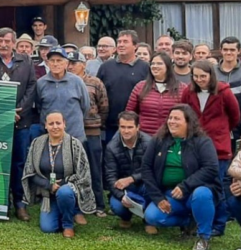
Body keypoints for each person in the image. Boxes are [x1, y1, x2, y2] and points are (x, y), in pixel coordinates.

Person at [140, 104, 220, 250]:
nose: (171, 121)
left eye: (177, 118)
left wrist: (185, 186)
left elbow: (211, 168)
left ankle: (203, 237)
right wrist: (158, 198)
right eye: (170, 118)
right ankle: (189, 222)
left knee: (202, 194)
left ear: (188, 123)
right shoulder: (158, 140)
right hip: (170, 195)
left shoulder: (202, 141)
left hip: (194, 193)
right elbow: (146, 168)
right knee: (152, 217)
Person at [0, 28, 37, 221]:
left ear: (14, 43)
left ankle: (20, 204)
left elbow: (31, 87)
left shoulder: (26, 61)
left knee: (19, 163)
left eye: (7, 41)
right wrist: (4, 113)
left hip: (22, 122)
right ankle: (0, 203)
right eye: (0, 40)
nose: (3, 44)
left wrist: (18, 111)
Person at [181, 59, 240, 237]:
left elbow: (235, 116)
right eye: (196, 76)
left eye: (203, 76)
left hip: (218, 147)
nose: (199, 79)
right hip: (193, 145)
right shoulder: (188, 92)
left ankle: (219, 224)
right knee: (194, 184)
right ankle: (194, 220)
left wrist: (221, 130)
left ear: (211, 75)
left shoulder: (224, 92)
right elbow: (183, 113)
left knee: (218, 186)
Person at [21, 112, 96, 238]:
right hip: (48, 194)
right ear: (45, 126)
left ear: (64, 124)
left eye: (58, 123)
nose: (55, 126)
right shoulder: (37, 143)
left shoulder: (75, 144)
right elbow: (30, 172)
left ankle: (68, 224)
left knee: (64, 192)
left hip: (69, 189)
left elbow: (83, 173)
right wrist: (49, 185)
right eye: (51, 123)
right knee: (47, 228)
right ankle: (65, 212)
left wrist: (61, 184)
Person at [67, 51, 108, 217]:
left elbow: (104, 106)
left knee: (94, 168)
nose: (70, 66)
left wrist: (96, 123)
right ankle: (78, 204)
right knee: (74, 169)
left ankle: (99, 204)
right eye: (68, 63)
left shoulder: (95, 82)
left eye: (74, 63)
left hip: (91, 131)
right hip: (71, 132)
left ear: (83, 64)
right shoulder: (65, 82)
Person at [104, 111, 155, 232]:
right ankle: (126, 217)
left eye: (130, 127)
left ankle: (148, 220)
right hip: (124, 189)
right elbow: (110, 177)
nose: (126, 131)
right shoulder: (111, 147)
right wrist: (121, 196)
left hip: (144, 184)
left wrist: (132, 178)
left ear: (138, 127)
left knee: (152, 187)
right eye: (122, 127)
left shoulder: (149, 143)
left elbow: (153, 170)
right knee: (117, 206)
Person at [97, 31, 148, 141]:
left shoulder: (145, 68)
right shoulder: (106, 67)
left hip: (136, 125)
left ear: (135, 46)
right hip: (110, 125)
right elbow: (98, 93)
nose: (121, 44)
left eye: (125, 42)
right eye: (119, 42)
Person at [126, 53, 185, 136]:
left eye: (159, 63)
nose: (155, 66)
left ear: (168, 67)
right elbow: (129, 113)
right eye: (152, 63)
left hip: (172, 137)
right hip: (145, 137)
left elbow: (188, 114)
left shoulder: (181, 88)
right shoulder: (140, 86)